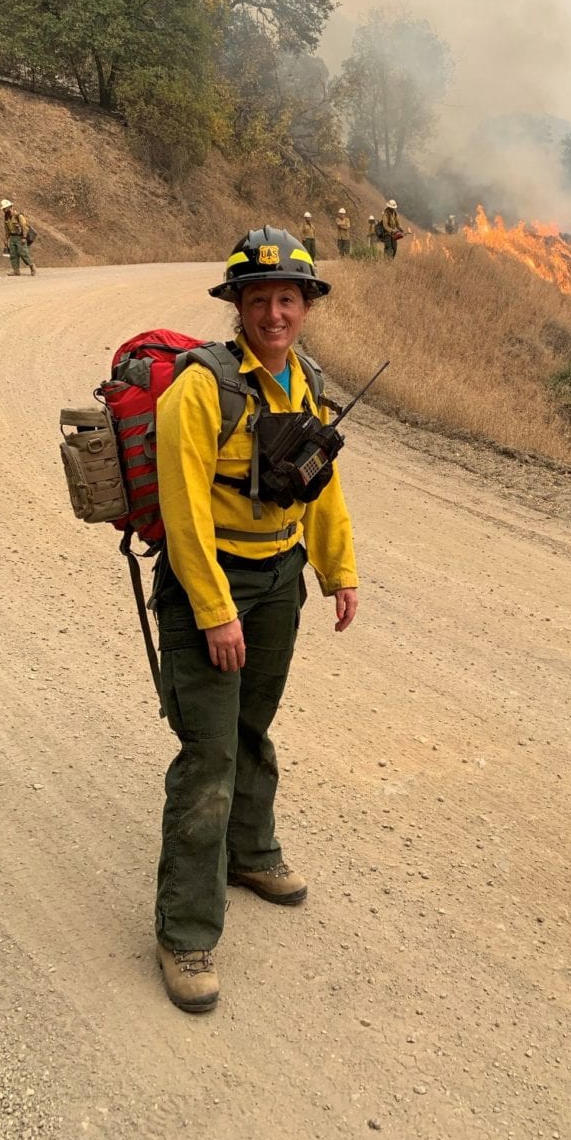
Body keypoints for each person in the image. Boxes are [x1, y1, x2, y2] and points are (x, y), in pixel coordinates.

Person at [152, 229, 358, 1014]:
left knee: (253, 728)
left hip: (280, 581)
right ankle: (185, 933)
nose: (275, 312)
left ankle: (250, 851)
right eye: (261, 297)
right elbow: (182, 507)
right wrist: (212, 609)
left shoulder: (305, 381)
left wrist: (338, 569)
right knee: (208, 754)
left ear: (305, 306)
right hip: (213, 583)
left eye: (289, 297)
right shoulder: (200, 389)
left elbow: (321, 487)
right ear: (237, 304)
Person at [1, 198, 36, 276]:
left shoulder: (18, 216)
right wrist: (6, 240)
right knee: (13, 254)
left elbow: (24, 226)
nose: (4, 210)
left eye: (5, 208)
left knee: (24, 253)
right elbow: (7, 230)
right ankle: (16, 270)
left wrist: (24, 237)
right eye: (3, 209)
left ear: (10, 207)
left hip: (19, 237)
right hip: (12, 238)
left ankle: (32, 266)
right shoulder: (6, 218)